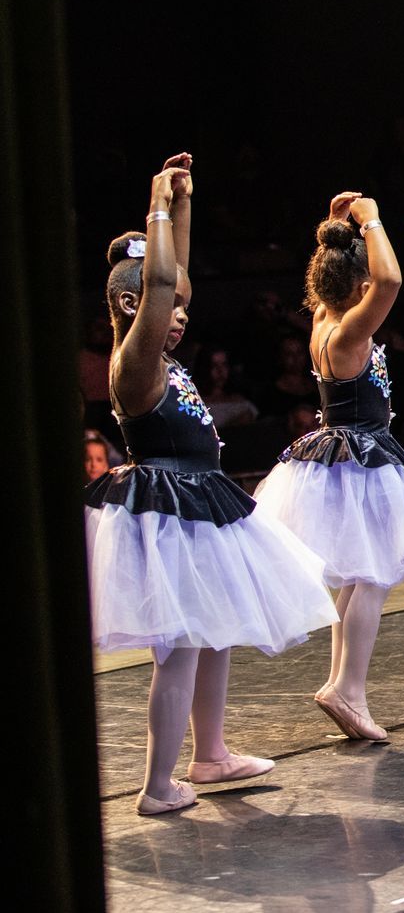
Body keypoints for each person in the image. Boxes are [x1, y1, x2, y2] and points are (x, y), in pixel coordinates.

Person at [84, 155, 335, 815]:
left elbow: (176, 277)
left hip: (196, 504)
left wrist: (184, 205)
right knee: (179, 650)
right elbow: (164, 278)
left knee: (215, 627)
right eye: (169, 306)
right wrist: (156, 204)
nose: (182, 314)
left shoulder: (161, 353)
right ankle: (157, 786)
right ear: (134, 304)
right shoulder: (134, 361)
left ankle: (211, 753)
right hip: (169, 513)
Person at [253, 192, 404, 742]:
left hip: (339, 459)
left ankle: (342, 684)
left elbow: (343, 276)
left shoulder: (322, 320)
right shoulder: (350, 331)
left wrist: (333, 229)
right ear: (358, 289)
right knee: (374, 577)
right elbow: (392, 280)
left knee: (361, 576)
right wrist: (372, 220)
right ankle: (349, 688)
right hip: (364, 461)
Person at [193, 346, 259, 432]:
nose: (220, 371)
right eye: (214, 365)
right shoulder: (195, 404)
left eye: (224, 365)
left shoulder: (240, 401)